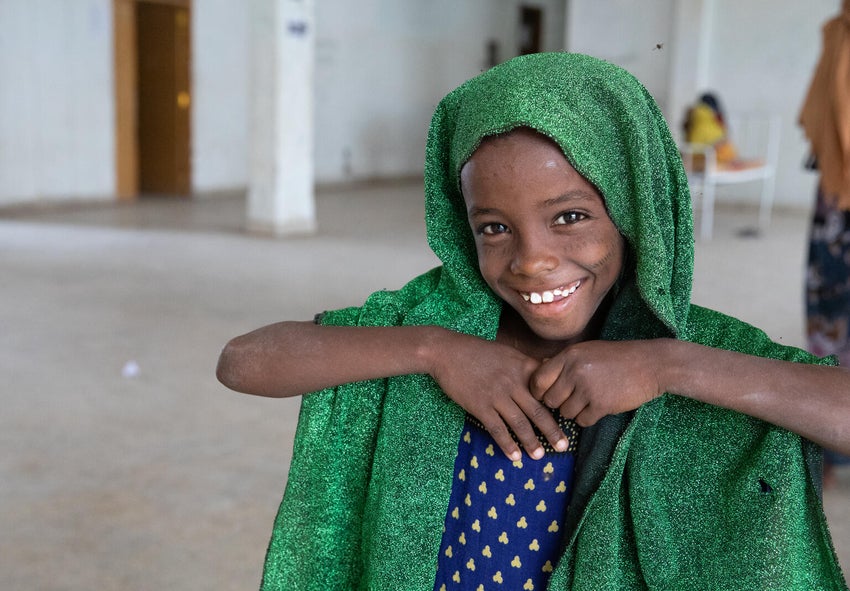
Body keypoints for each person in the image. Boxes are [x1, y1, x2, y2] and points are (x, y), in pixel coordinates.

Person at [217, 53, 850, 590]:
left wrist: (667, 365)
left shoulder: (698, 352)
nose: (532, 261)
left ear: (634, 207)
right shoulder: (431, 323)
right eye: (494, 227)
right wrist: (436, 351)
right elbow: (244, 362)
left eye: (570, 216)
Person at [800, 0, 850, 487]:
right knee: (829, 315)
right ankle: (834, 448)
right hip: (839, 193)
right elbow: (823, 109)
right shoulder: (837, 29)